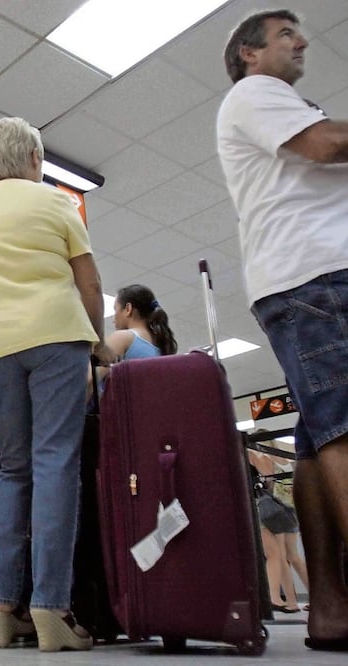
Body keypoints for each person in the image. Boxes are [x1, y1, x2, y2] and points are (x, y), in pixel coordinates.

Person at [0, 117, 114, 652]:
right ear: (32, 160)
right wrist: (95, 342)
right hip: (54, 335)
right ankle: (52, 606)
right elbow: (88, 280)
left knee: (13, 468)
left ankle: (1, 605)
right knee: (55, 465)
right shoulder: (54, 203)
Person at [217, 9, 348, 651]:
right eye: (285, 34)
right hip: (319, 278)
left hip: (301, 280)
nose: (301, 41)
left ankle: (330, 607)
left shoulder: (277, 102)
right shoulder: (258, 93)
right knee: (345, 430)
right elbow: (326, 146)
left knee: (321, 439)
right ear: (249, 54)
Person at [249, 444, 304, 613]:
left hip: (267, 510)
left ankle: (279, 598)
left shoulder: (257, 455)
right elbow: (269, 480)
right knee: (288, 556)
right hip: (285, 509)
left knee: (278, 555)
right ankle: (291, 600)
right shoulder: (282, 459)